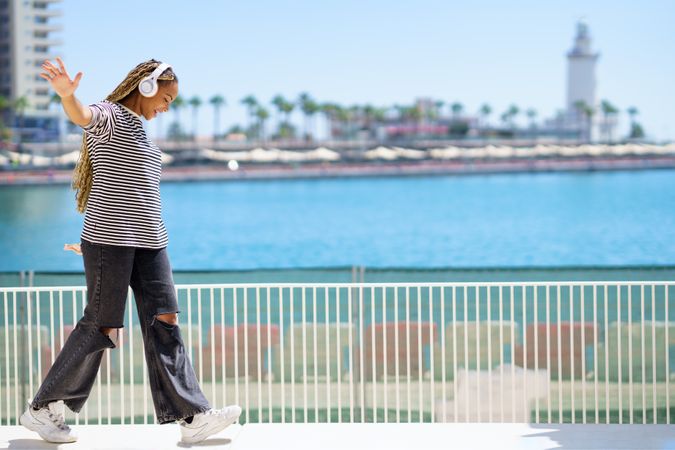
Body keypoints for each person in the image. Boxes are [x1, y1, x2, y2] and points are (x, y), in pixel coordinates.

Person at [19, 58, 241, 444]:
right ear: (148, 87)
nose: (166, 107)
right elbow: (83, 116)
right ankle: (43, 409)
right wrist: (68, 97)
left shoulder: (141, 131)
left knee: (165, 318)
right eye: (166, 98)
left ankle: (192, 417)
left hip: (151, 242)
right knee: (103, 324)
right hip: (111, 241)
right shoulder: (110, 116)